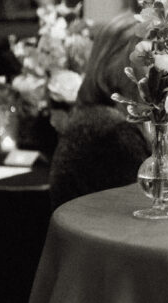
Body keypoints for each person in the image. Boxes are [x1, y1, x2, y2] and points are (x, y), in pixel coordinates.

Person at [47, 12, 150, 209]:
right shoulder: (113, 131)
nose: (161, 70)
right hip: (100, 237)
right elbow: (146, 207)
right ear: (121, 65)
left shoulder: (92, 115)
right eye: (149, 58)